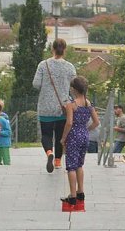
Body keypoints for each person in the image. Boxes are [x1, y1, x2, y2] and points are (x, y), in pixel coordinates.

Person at [33, 38, 76, 172]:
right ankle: (58, 162)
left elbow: (36, 84)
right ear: (65, 50)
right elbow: (75, 86)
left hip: (45, 107)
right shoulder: (70, 67)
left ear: (52, 49)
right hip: (63, 108)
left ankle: (49, 153)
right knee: (60, 136)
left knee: (46, 135)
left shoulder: (43, 65)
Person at [61, 76, 100, 212]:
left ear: (73, 89)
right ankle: (80, 193)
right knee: (79, 165)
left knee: (71, 166)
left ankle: (72, 196)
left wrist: (63, 138)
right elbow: (96, 122)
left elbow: (69, 123)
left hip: (73, 136)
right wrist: (85, 130)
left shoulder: (71, 105)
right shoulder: (88, 103)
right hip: (84, 136)